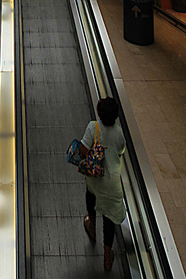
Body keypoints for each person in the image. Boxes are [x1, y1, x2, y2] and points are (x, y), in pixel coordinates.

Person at [80, 96, 126, 272]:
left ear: (99, 113)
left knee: (91, 196)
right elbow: (121, 151)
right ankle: (107, 259)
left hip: (94, 178)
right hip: (112, 183)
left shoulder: (93, 127)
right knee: (109, 219)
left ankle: (91, 227)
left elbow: (83, 149)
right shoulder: (119, 132)